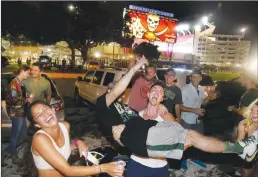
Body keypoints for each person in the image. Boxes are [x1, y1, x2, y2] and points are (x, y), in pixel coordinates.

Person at [96, 54, 258, 165]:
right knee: (191, 138)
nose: (118, 92)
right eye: (113, 90)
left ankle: (239, 148)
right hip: (142, 139)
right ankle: (239, 148)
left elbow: (152, 116)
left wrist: (165, 118)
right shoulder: (103, 103)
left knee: (191, 136)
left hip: (149, 134)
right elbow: (118, 90)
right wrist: (135, 68)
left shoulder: (124, 107)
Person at [27, 100, 124, 177]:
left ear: (52, 109)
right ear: (37, 125)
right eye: (39, 115)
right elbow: (67, 170)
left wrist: (78, 143)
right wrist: (104, 168)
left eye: (45, 109)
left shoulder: (65, 126)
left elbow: (63, 150)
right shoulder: (40, 139)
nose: (45, 114)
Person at [122, 82, 171, 177]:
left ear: (162, 99)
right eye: (154, 90)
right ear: (148, 94)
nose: (157, 93)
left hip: (159, 165)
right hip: (136, 163)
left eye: (160, 92)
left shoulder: (166, 118)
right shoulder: (136, 117)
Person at [5, 65, 32, 164]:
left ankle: (8, 150)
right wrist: (26, 100)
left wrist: (26, 97)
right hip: (16, 113)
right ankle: (13, 155)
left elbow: (18, 96)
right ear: (22, 71)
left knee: (23, 134)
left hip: (21, 112)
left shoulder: (20, 83)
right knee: (15, 135)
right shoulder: (14, 83)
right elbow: (13, 99)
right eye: (28, 73)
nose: (28, 75)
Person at [128, 42, 160, 112]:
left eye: (152, 72)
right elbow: (130, 69)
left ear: (155, 74)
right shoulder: (137, 79)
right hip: (131, 110)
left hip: (144, 113)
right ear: (145, 72)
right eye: (148, 72)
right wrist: (136, 53)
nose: (149, 73)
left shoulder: (154, 86)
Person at [234, 99, 258, 177]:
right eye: (252, 110)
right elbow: (238, 144)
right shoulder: (244, 124)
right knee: (245, 175)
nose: (253, 113)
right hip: (248, 154)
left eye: (257, 111)